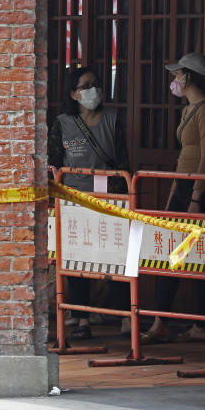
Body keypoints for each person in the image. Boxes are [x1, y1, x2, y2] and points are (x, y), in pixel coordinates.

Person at [141, 52, 205, 344]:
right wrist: (175, 193)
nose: (174, 80)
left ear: (188, 76)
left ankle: (200, 324)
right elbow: (184, 157)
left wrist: (196, 197)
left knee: (202, 257)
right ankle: (161, 320)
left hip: (201, 190)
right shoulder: (188, 109)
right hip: (183, 187)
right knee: (170, 256)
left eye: (178, 74)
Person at [48, 67, 131, 339]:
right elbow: (55, 162)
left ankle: (124, 317)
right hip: (74, 200)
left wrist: (123, 194)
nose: (92, 90)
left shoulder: (113, 118)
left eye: (95, 85)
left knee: (117, 261)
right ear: (73, 94)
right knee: (76, 262)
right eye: (85, 86)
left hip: (109, 201)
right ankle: (81, 319)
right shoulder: (62, 123)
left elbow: (122, 160)